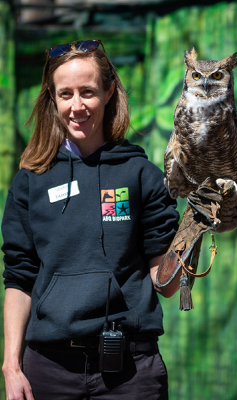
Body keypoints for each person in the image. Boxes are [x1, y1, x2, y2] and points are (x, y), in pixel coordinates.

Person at [1, 39, 180, 400]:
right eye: (65, 94)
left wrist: (193, 230)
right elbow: (20, 278)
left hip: (130, 373)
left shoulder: (141, 174)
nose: (77, 106)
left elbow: (167, 284)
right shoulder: (29, 181)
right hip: (48, 371)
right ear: (52, 98)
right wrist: (11, 365)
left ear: (110, 91)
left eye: (88, 92)